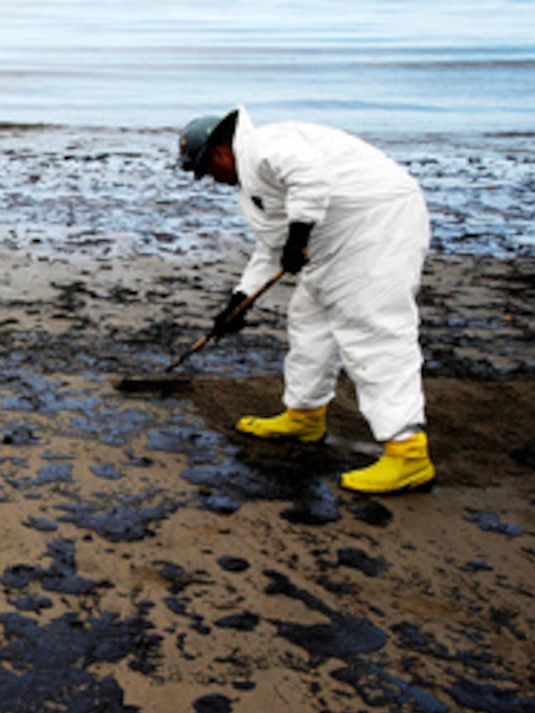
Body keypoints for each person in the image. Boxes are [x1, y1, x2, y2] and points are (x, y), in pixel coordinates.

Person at [178, 106, 436, 494]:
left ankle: (408, 452)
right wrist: (239, 302)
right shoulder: (254, 181)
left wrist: (299, 236)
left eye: (208, 170)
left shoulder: (267, 147)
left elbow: (311, 178)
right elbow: (272, 247)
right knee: (309, 319)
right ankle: (304, 415)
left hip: (376, 225)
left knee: (371, 330)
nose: (214, 180)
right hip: (333, 238)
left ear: (218, 152)